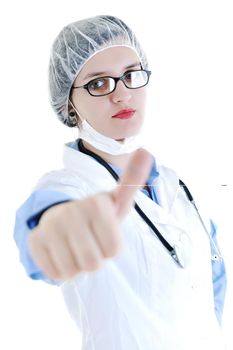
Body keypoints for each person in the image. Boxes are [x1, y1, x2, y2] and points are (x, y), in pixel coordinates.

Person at [14, 15, 227, 350]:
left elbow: (212, 278)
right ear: (69, 103)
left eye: (131, 75)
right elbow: (45, 229)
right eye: (99, 83)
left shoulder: (176, 184)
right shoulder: (69, 187)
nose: (123, 94)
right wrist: (55, 231)